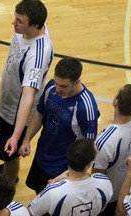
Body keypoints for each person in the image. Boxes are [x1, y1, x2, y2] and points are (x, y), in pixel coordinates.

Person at [0, 0, 54, 185]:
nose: (13, 23)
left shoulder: (37, 56)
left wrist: (17, 136)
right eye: (15, 17)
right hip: (7, 102)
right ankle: (8, 169)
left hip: (15, 115)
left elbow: (28, 96)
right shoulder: (29, 28)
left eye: (19, 20)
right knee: (7, 154)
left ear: (34, 25)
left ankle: (6, 187)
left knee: (9, 153)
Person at [19, 57, 99, 194]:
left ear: (77, 82)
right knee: (39, 196)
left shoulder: (86, 107)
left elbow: (88, 146)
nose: (58, 89)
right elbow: (39, 114)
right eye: (56, 83)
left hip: (61, 168)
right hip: (41, 156)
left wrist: (72, 175)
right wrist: (26, 140)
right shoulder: (51, 87)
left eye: (63, 86)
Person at [91, 84, 131, 216]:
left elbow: (97, 177)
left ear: (116, 101)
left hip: (106, 198)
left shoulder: (104, 141)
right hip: (125, 190)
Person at [28, 138, 113, 215]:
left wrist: (53, 182)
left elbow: (32, 211)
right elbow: (102, 208)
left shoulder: (53, 192)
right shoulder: (104, 182)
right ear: (90, 163)